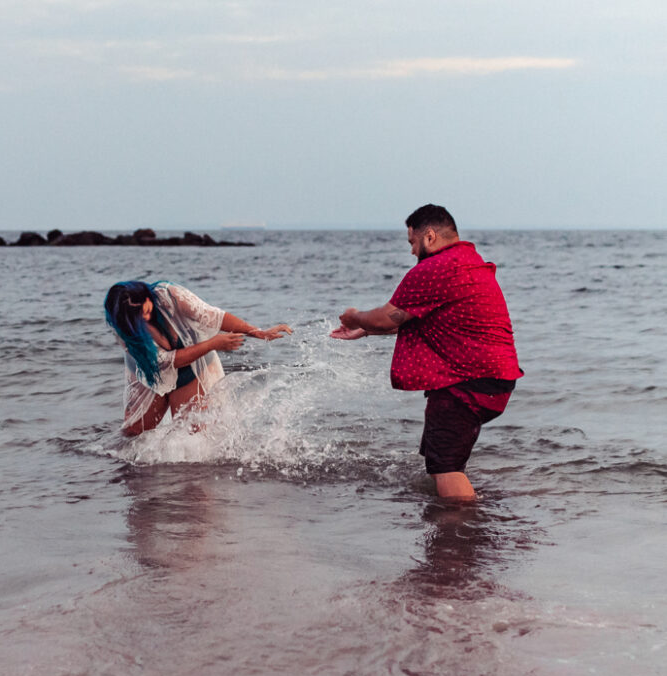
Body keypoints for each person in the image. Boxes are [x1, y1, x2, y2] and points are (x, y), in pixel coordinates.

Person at [332, 204, 523, 502]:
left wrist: (355, 317)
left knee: (445, 465)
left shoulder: (435, 269)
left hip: (466, 381)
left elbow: (386, 316)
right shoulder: (467, 261)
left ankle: (461, 530)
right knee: (442, 457)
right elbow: (422, 319)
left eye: (411, 242)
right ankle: (462, 518)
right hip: (494, 377)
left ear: (430, 236)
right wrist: (367, 331)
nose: (411, 251)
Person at [104, 280, 292, 436]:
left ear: (147, 296)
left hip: (192, 368)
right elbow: (165, 361)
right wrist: (213, 343)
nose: (144, 318)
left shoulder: (170, 295)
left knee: (191, 436)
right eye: (137, 318)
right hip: (150, 372)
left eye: (144, 310)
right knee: (133, 435)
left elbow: (213, 316)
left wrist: (258, 332)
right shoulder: (125, 333)